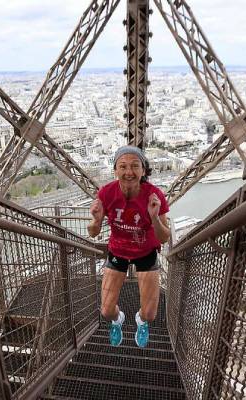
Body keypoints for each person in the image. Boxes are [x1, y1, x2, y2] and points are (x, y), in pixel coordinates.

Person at [88, 145, 170, 348]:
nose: (129, 172)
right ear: (115, 170)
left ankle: (141, 321)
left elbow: (164, 237)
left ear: (144, 170)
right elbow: (93, 232)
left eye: (135, 166)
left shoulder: (154, 195)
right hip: (118, 251)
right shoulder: (106, 193)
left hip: (146, 252)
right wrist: (96, 221)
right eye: (123, 166)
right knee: (106, 311)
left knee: (150, 315)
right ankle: (118, 320)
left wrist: (154, 218)